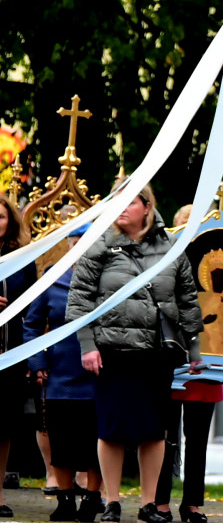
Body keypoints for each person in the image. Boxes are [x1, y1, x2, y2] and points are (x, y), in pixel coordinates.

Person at [67, 183, 204, 523]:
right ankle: (111, 501)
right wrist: (87, 346)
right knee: (111, 428)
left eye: (130, 202)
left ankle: (147, 504)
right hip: (111, 352)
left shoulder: (172, 247)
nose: (122, 208)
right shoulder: (97, 246)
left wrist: (195, 349)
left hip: (157, 352)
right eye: (117, 202)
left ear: (147, 206)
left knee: (153, 430)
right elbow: (79, 301)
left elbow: (188, 299)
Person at [25, 222, 105, 522]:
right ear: (69, 245)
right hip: (59, 372)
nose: (82, 247)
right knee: (60, 440)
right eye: (77, 242)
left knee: (96, 438)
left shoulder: (108, 278)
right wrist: (37, 363)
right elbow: (31, 325)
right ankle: (65, 498)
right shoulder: (51, 279)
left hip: (99, 373)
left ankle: (93, 498)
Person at [155, 204, 220, 523]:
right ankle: (160, 502)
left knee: (198, 441)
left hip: (207, 362)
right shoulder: (165, 261)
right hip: (171, 357)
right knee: (164, 437)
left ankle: (192, 503)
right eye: (186, 225)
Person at [0, 195, 36, 519]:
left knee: (2, 428)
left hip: (10, 353)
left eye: (0, 217)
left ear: (10, 220)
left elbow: (33, 303)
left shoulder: (22, 258)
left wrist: (9, 306)